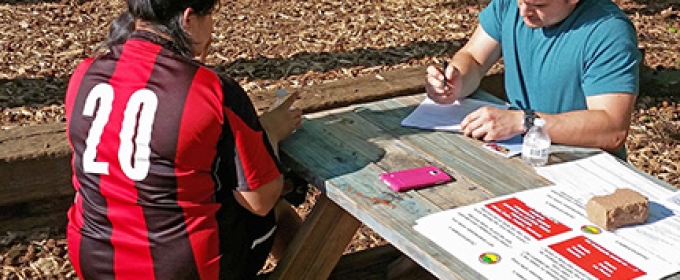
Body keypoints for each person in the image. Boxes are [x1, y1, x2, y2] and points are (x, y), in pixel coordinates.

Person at [64, 1, 303, 279]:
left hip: (93, 258)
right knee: (278, 209)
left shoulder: (85, 73)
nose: (212, 28)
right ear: (188, 18)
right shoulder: (212, 88)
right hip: (184, 268)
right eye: (210, 16)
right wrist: (269, 132)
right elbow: (259, 199)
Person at [425, 0, 641, 158]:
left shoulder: (608, 31)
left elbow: (612, 130)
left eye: (539, 5)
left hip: (581, 164)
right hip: (517, 153)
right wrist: (457, 80)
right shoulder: (510, 5)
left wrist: (526, 122)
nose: (523, 12)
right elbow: (474, 58)